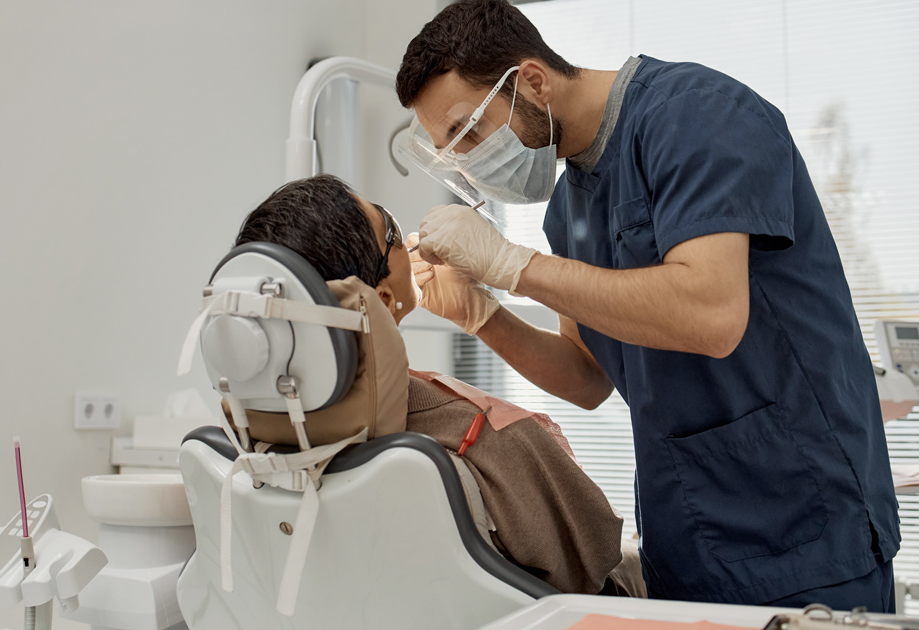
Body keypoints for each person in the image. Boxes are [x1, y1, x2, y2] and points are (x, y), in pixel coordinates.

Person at [396, 0, 899, 611]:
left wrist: (512, 266)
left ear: (531, 80)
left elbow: (712, 316)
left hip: (804, 522)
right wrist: (481, 315)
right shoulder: (569, 206)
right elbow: (586, 378)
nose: (469, 160)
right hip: (690, 533)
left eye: (468, 130)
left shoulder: (697, 115)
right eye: (451, 149)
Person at [231, 174, 645, 597]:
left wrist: (482, 315)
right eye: (391, 229)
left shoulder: (250, 460)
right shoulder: (483, 440)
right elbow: (595, 564)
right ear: (385, 300)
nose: (404, 237)